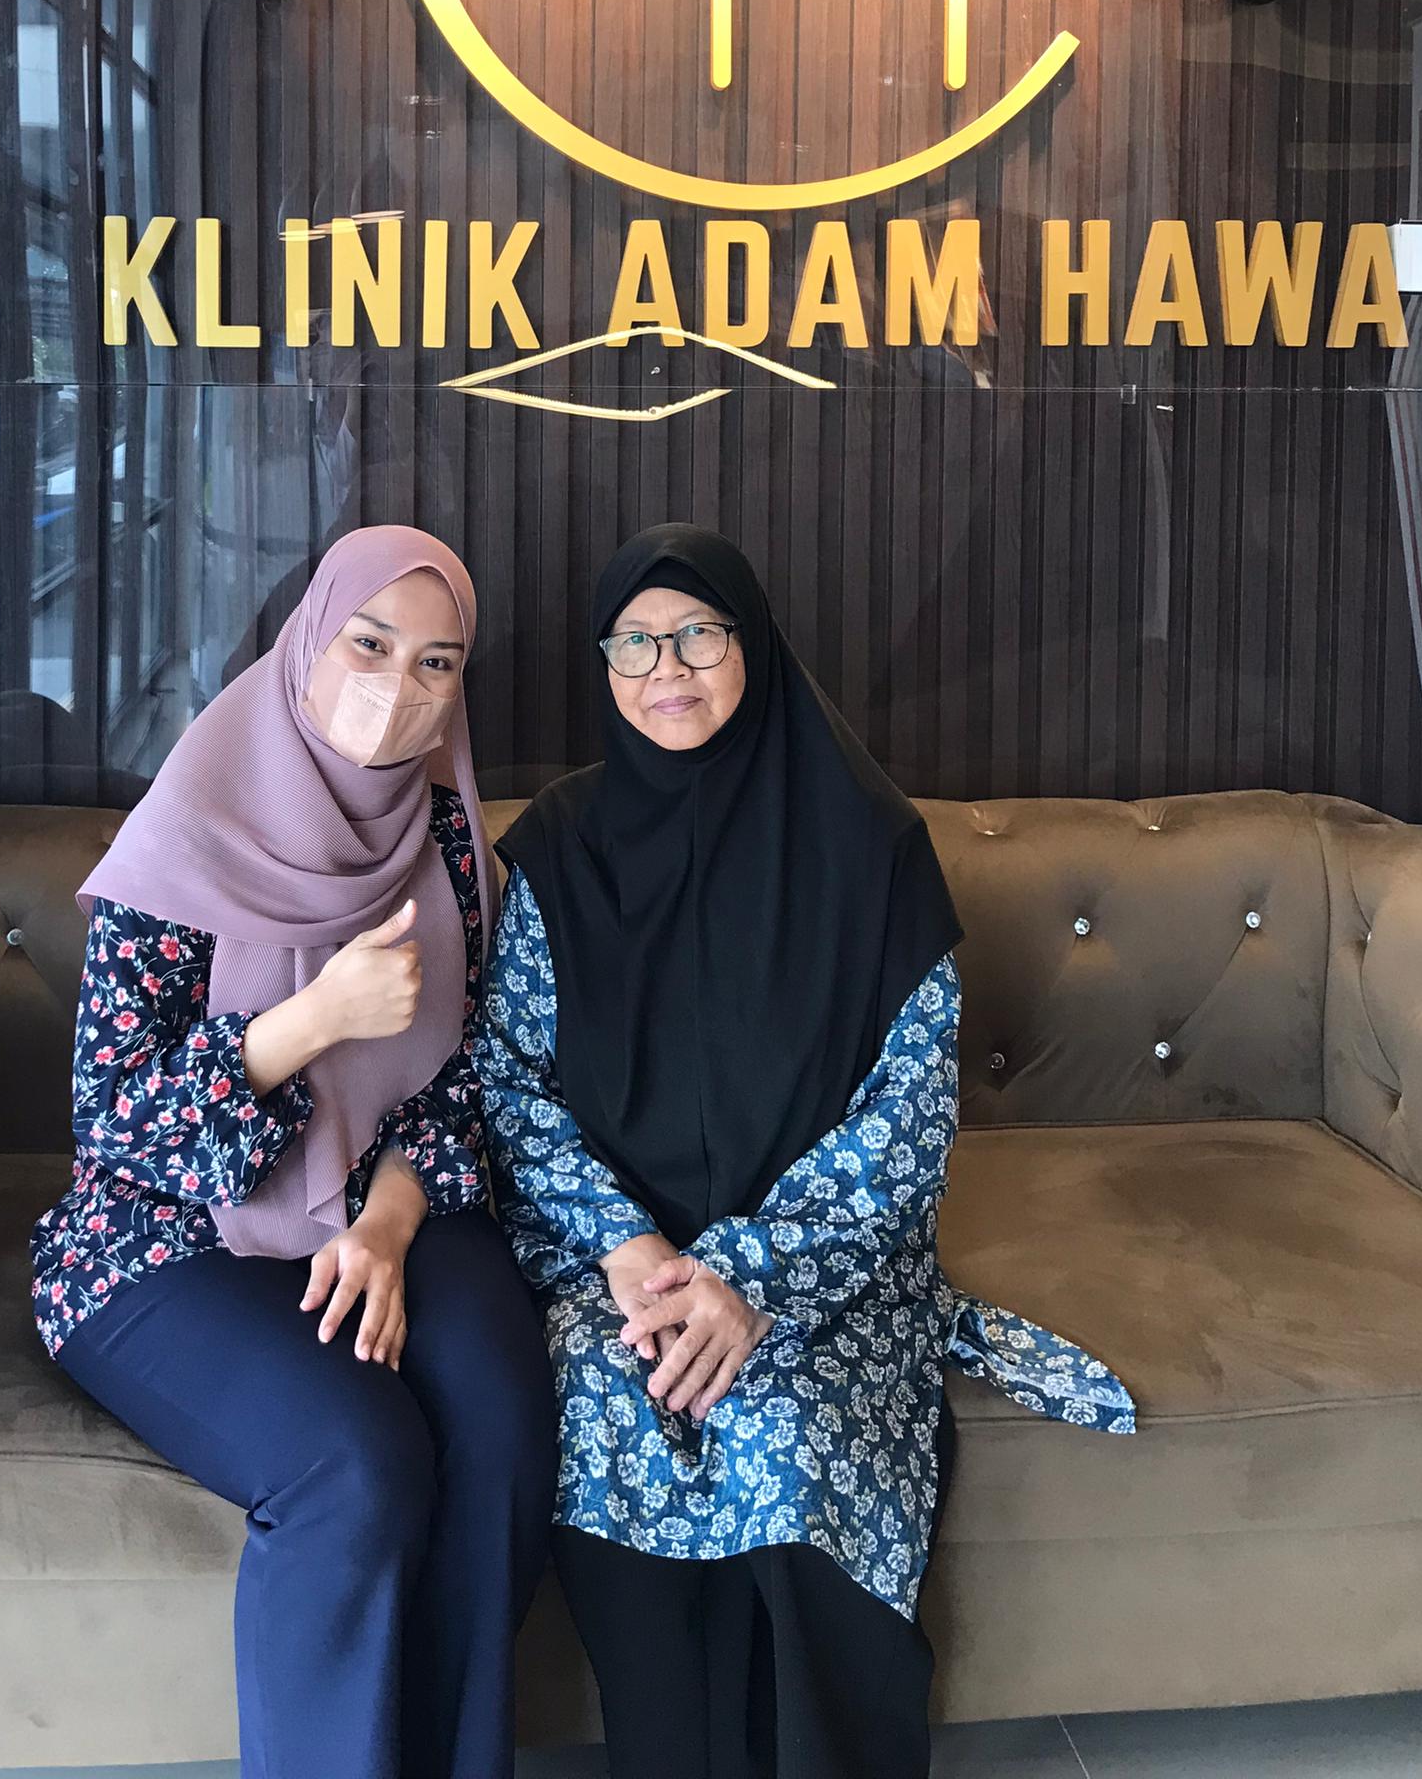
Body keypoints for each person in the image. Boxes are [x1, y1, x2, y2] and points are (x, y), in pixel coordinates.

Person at [478, 524, 1133, 1779]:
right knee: (611, 1394)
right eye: (634, 643)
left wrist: (750, 1273)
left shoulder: (870, 845)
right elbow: (509, 1078)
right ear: (604, 667)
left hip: (826, 1267)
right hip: (617, 1269)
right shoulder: (560, 846)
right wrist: (628, 1247)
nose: (667, 668)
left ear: (756, 646)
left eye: (698, 634)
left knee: (781, 1425)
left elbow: (908, 1112)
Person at [31, 526, 555, 1779]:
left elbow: (463, 1075)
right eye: (369, 644)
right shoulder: (195, 825)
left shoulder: (447, 840)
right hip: (166, 1236)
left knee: (499, 1423)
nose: (397, 686)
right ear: (309, 641)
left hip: (385, 1204)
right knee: (356, 1464)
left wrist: (386, 1223)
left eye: (436, 663)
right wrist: (309, 1023)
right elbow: (114, 1113)